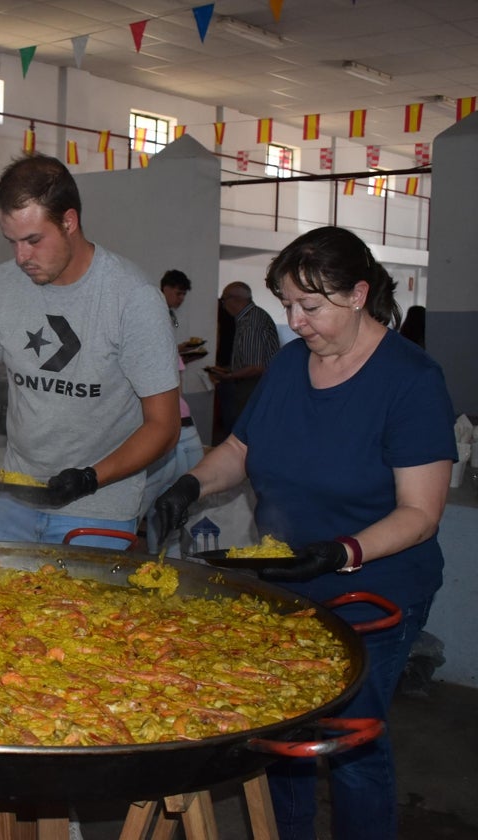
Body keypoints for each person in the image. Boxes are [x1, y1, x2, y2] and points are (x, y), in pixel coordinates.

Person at [153, 226, 455, 840]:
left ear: (359, 295)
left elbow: (421, 514)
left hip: (376, 585)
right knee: (282, 727)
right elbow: (241, 448)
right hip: (290, 577)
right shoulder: (293, 363)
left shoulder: (411, 379)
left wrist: (341, 552)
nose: (295, 321)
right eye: (287, 305)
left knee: (350, 740)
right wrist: (187, 485)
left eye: (309, 307)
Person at [0, 154, 179, 549]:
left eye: (33, 240)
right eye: (12, 242)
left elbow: (163, 425)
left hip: (98, 505)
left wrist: (91, 476)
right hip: (15, 494)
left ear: (69, 222)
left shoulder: (132, 298)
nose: (21, 257)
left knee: (80, 612)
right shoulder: (3, 286)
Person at [138, 269, 206, 553]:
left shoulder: (160, 335)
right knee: (163, 503)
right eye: (177, 293)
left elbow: (174, 389)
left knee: (178, 501)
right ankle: (163, 560)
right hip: (173, 430)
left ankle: (174, 561)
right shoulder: (149, 333)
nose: (179, 299)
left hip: (182, 427)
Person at [207, 281, 279, 439]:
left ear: (235, 299)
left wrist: (229, 376)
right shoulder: (247, 318)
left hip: (252, 385)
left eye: (223, 300)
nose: (223, 305)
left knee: (242, 433)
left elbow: (255, 367)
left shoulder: (251, 322)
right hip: (251, 382)